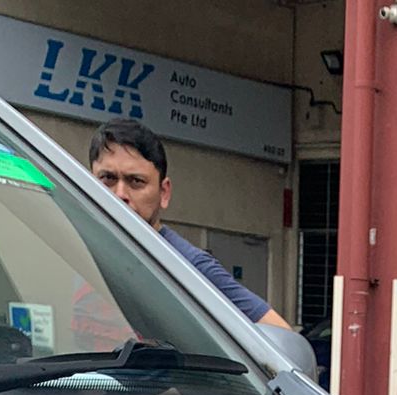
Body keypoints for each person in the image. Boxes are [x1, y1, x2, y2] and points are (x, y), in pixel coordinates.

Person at [86, 118, 292, 331]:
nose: (120, 194)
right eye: (107, 179)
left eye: (136, 181)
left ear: (164, 193)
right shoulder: (73, 243)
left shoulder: (188, 266)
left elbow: (281, 334)